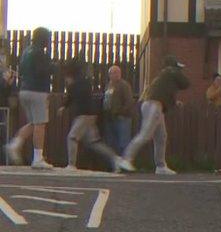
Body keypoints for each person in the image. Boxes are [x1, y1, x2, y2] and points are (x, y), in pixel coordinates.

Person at [119, 55, 189, 175]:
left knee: (161, 136)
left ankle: (160, 166)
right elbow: (185, 83)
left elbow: (165, 93)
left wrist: (174, 102)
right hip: (154, 105)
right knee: (146, 134)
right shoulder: (170, 72)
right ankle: (126, 158)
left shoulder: (163, 78)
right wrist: (177, 70)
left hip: (152, 104)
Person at [62, 58, 131, 173]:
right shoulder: (84, 81)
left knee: (72, 137)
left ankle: (71, 164)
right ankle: (116, 159)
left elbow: (72, 95)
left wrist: (64, 104)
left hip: (84, 115)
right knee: (93, 142)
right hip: (90, 114)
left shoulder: (75, 83)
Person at [5, 27, 54, 169]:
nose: (48, 42)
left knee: (33, 123)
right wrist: (52, 67)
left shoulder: (26, 52)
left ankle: (15, 144)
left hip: (24, 90)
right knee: (40, 124)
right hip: (37, 91)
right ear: (43, 39)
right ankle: (38, 158)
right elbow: (42, 71)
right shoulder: (40, 53)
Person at [102, 65, 135, 154]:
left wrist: (120, 112)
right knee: (112, 142)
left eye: (117, 72)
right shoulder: (108, 85)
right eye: (112, 73)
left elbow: (129, 101)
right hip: (110, 117)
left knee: (123, 143)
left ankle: (124, 163)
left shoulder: (124, 85)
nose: (115, 75)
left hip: (122, 117)